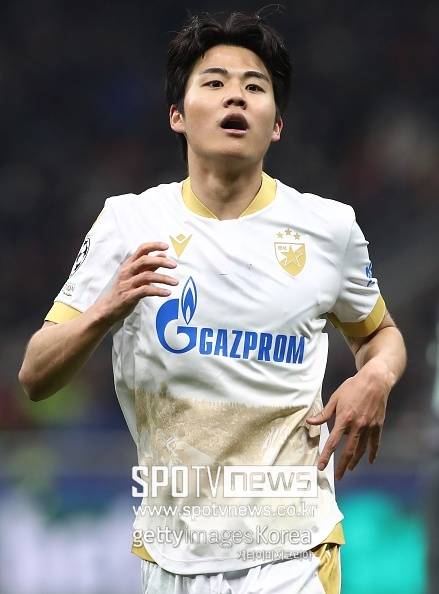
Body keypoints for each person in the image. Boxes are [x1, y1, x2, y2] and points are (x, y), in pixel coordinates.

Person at [19, 10, 406, 594]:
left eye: (255, 87)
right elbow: (35, 375)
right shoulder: (128, 223)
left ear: (277, 124)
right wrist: (105, 309)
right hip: (172, 555)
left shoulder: (329, 229)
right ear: (177, 115)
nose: (236, 97)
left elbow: (381, 335)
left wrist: (375, 376)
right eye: (215, 82)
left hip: (293, 550)